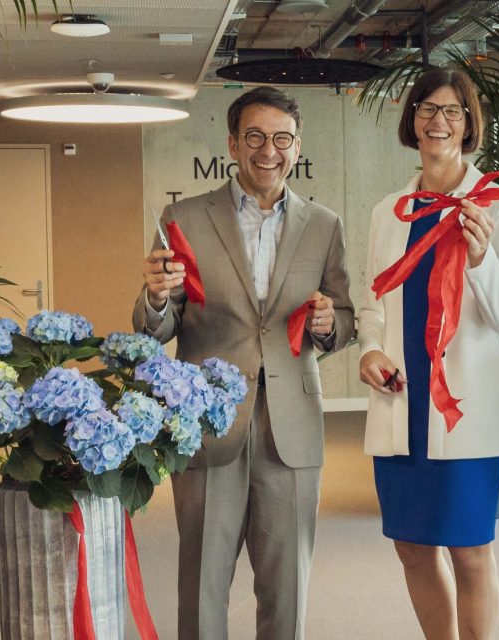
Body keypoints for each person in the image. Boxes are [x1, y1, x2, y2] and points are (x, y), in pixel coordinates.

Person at [132, 86, 354, 639]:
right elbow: (157, 326)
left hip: (292, 428)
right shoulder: (182, 216)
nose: (268, 150)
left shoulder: (324, 224)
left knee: (286, 589)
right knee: (203, 581)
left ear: (296, 147)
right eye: (254, 136)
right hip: (208, 423)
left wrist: (330, 325)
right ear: (232, 143)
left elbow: (345, 317)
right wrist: (157, 297)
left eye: (281, 138)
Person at [357, 68, 499, 640]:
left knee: (470, 549)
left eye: (452, 111)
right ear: (412, 120)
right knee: (410, 545)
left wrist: (481, 258)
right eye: (427, 109)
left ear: (468, 125)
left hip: (468, 406)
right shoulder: (390, 210)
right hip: (401, 400)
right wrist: (369, 352)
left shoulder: (496, 205)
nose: (438, 121)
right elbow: (373, 301)